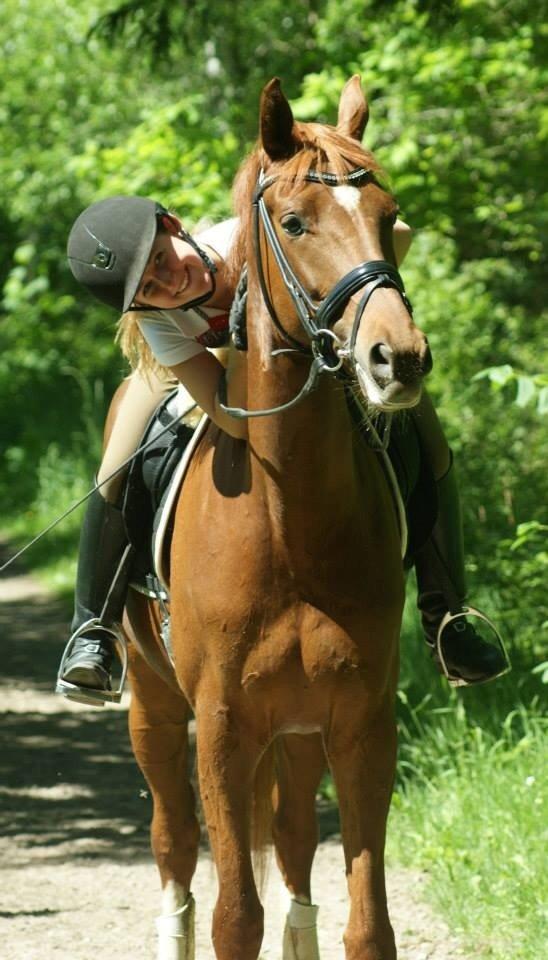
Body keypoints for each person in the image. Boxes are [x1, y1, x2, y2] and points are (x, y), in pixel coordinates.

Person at [55, 195, 508, 706]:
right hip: (223, 375)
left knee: (428, 436)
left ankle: (447, 614)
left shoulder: (248, 237)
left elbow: (396, 232)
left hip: (321, 357)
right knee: (119, 460)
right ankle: (93, 629)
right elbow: (231, 416)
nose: (170, 282)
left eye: (161, 259)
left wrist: (356, 281)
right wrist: (249, 350)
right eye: (149, 289)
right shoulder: (158, 321)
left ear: (173, 226)